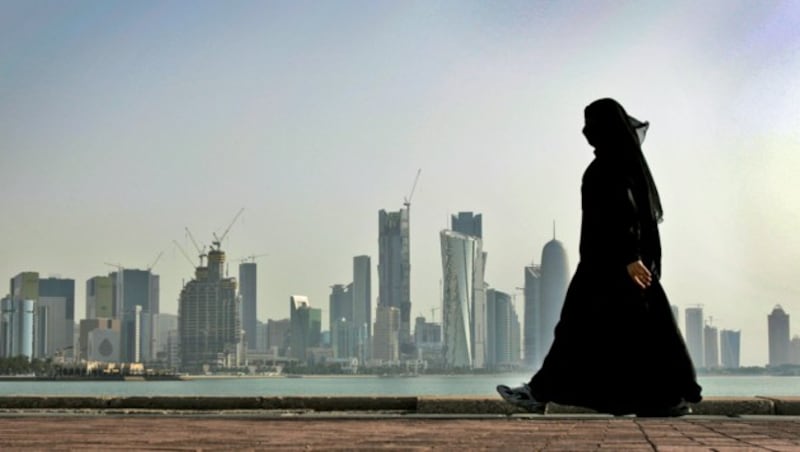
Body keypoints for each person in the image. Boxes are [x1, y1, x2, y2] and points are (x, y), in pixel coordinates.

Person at [497, 98, 702, 417]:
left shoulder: (611, 166)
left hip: (610, 266)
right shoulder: (616, 163)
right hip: (609, 263)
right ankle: (660, 400)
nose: (585, 131)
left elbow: (626, 213)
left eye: (591, 124)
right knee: (630, 335)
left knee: (578, 331)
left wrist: (630, 257)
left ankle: (538, 393)